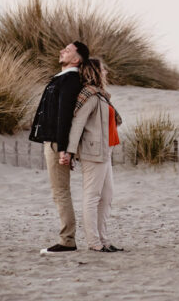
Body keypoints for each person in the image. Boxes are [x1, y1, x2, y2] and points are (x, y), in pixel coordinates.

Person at [29, 40, 89, 255]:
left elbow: (64, 117)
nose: (62, 51)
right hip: (53, 141)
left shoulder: (70, 80)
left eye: (68, 50)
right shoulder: (62, 78)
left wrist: (64, 148)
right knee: (59, 191)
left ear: (77, 59)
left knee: (60, 191)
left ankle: (67, 240)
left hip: (57, 143)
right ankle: (67, 238)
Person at [59, 56, 123, 253]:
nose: (106, 72)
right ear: (95, 72)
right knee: (92, 196)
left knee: (107, 196)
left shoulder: (101, 95)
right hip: (93, 152)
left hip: (105, 150)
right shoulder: (89, 95)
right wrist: (69, 152)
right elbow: (77, 125)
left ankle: (104, 240)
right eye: (103, 69)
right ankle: (94, 242)